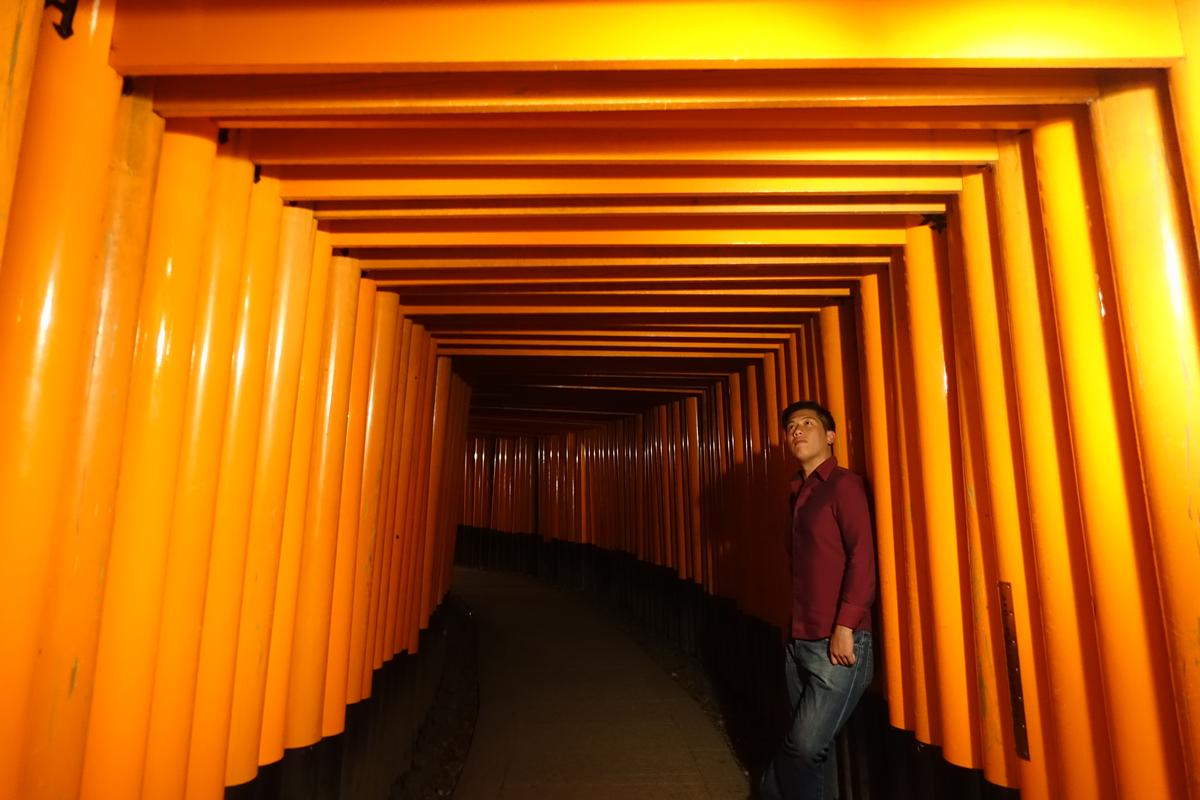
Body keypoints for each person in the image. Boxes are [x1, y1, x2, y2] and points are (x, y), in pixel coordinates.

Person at [759, 400, 876, 800]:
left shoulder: (844, 485)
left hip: (839, 643)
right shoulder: (797, 493)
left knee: (804, 746)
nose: (797, 430)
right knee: (813, 756)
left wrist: (845, 626)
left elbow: (863, 557)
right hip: (799, 641)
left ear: (830, 436)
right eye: (791, 425)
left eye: (808, 423)